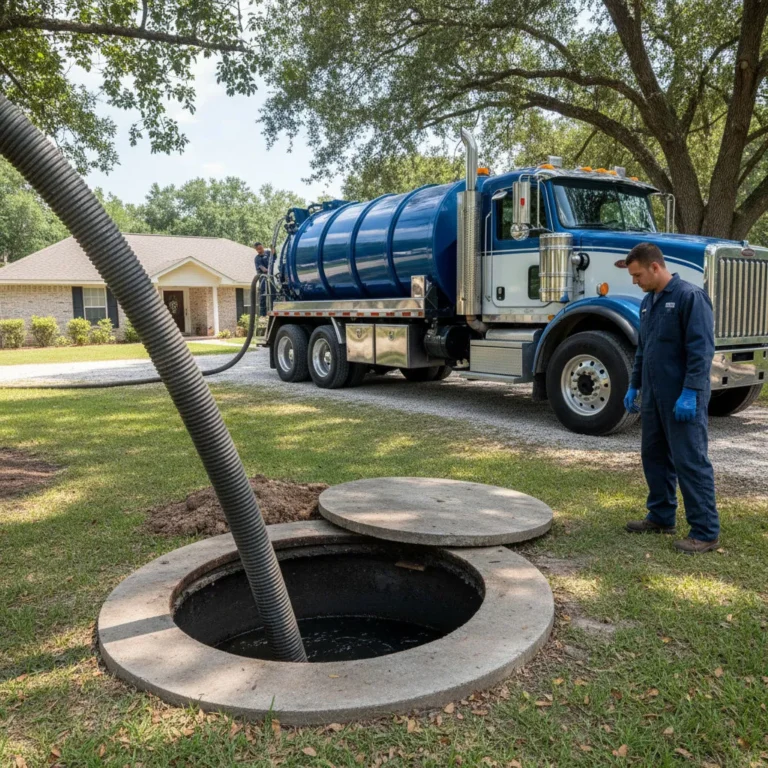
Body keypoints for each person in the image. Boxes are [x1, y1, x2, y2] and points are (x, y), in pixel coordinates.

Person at [623, 242, 720, 554]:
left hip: (682, 397)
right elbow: (643, 349)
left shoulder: (690, 297)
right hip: (654, 396)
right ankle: (661, 516)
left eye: (638, 275)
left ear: (655, 267)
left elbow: (701, 350)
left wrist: (690, 392)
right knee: (654, 456)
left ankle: (705, 531)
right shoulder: (648, 302)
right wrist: (634, 385)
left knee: (690, 460)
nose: (635, 281)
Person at [253, 242, 272, 316]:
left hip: (272, 276)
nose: (260, 250)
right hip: (263, 277)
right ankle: (263, 313)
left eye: (261, 248)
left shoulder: (269, 253)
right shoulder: (257, 258)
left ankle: (273, 308)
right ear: (256, 250)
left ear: (262, 246)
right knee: (263, 293)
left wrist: (273, 249)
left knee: (273, 292)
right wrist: (270, 270)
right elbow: (263, 269)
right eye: (258, 249)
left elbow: (275, 257)